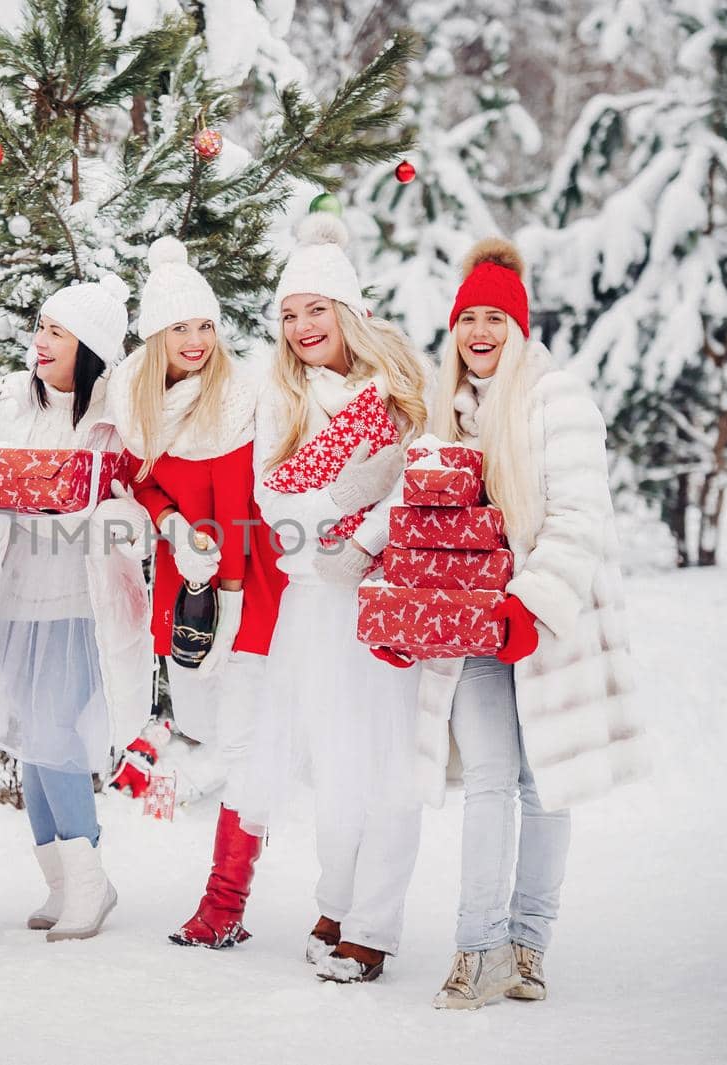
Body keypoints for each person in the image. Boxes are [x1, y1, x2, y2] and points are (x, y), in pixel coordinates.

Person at [404, 238, 648, 1009]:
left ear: (520, 326)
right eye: (467, 318)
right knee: (486, 779)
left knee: (542, 785)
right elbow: (413, 518)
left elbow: (579, 516)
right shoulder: (447, 412)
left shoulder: (558, 398)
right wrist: (388, 596)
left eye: (494, 318)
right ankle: (476, 949)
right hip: (471, 625)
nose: (479, 331)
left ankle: (527, 944)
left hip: (548, 620)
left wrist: (532, 602)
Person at [244, 214, 431, 982]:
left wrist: (364, 524)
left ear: (348, 309)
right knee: (335, 757)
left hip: (389, 593)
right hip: (315, 599)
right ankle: (334, 895)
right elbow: (270, 501)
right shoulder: (281, 395)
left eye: (315, 308)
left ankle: (375, 923)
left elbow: (424, 480)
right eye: (288, 314)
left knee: (389, 758)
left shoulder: (403, 389)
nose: (300, 326)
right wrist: (342, 495)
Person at [0, 274, 153, 941]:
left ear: (90, 348)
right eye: (39, 326)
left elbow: (139, 502)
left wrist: (102, 513)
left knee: (54, 728)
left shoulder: (115, 416)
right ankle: (64, 881)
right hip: (19, 587)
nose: (39, 342)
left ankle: (90, 880)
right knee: (33, 737)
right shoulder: (15, 399)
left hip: (82, 590)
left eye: (56, 332)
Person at [106, 237, 287, 948]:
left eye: (205, 325)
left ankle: (223, 905)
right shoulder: (142, 409)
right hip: (191, 591)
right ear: (156, 336)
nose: (195, 339)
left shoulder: (250, 399)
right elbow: (139, 477)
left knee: (240, 744)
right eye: (180, 326)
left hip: (258, 582)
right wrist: (171, 522)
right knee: (207, 724)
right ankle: (230, 881)